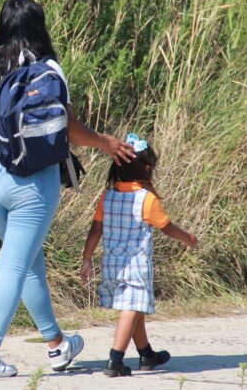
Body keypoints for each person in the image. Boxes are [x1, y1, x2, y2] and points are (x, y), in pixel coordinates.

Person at [0, 0, 136, 378]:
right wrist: (106, 142)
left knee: (28, 263)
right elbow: (68, 128)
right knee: (14, 264)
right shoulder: (46, 69)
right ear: (39, 27)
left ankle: (57, 345)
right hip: (32, 184)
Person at [80, 134, 198, 376]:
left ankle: (146, 354)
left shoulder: (108, 196)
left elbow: (96, 230)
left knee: (134, 307)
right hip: (135, 264)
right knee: (131, 309)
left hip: (112, 264)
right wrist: (188, 238)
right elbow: (168, 228)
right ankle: (115, 361)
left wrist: (87, 260)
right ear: (146, 169)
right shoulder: (146, 199)